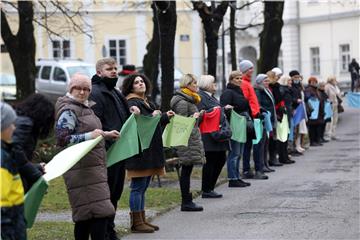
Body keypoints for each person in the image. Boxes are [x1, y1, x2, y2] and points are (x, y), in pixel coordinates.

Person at [55, 74, 119, 240]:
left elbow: (88, 132)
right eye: (78, 88)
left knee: (92, 214)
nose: (82, 92)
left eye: (86, 89)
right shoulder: (69, 110)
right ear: (71, 89)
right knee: (94, 214)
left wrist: (105, 134)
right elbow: (63, 140)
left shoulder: (84, 107)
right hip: (81, 172)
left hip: (92, 169)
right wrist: (91, 136)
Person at [89, 57, 140, 240]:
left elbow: (122, 116)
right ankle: (105, 232)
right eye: (109, 69)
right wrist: (107, 138)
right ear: (99, 72)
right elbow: (96, 122)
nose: (113, 71)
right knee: (107, 194)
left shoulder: (115, 91)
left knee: (116, 192)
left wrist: (131, 110)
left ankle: (110, 229)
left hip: (119, 151)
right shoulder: (96, 93)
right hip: (107, 151)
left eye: (115, 69)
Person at [121, 73, 174, 232]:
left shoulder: (146, 101)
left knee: (143, 186)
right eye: (136, 83)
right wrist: (153, 116)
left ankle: (141, 219)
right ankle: (136, 222)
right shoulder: (131, 102)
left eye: (142, 81)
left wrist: (164, 117)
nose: (140, 84)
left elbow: (152, 125)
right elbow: (138, 125)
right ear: (131, 87)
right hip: (140, 151)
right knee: (138, 186)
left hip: (149, 150)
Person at [170, 73, 205, 211]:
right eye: (194, 83)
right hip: (186, 141)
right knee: (186, 170)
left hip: (190, 139)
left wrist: (197, 117)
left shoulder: (190, 99)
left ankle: (187, 200)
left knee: (187, 169)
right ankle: (186, 201)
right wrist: (194, 117)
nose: (196, 85)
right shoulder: (183, 102)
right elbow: (181, 123)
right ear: (187, 85)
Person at [12, 93, 55, 192]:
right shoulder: (25, 123)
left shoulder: (17, 119)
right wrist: (37, 177)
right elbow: (15, 154)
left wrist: (36, 167)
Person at [197, 75, 230, 198]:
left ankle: (210, 187)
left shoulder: (211, 97)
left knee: (221, 159)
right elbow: (203, 114)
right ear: (207, 84)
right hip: (209, 134)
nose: (215, 85)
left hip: (218, 132)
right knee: (210, 161)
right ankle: (206, 189)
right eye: (213, 83)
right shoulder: (201, 97)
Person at [220, 71, 252, 187]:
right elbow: (223, 108)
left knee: (239, 153)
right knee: (234, 152)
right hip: (234, 125)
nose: (239, 80)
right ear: (231, 80)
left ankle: (237, 177)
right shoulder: (228, 92)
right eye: (237, 78)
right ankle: (232, 178)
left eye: (240, 78)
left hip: (241, 124)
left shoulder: (239, 91)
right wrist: (230, 109)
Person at [1, 102, 26, 240]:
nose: (14, 128)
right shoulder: (2, 158)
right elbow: (2, 203)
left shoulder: (6, 152)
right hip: (9, 230)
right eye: (10, 124)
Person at [239, 60, 267, 179]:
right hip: (252, 118)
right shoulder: (244, 84)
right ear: (245, 70)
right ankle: (257, 170)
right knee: (256, 145)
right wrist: (255, 113)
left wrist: (258, 109)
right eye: (250, 68)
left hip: (254, 116)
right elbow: (246, 101)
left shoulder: (247, 83)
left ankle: (247, 170)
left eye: (252, 68)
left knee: (249, 145)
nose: (252, 70)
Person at [254, 74, 276, 173]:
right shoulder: (258, 91)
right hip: (263, 119)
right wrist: (264, 111)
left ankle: (265, 164)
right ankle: (262, 165)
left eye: (268, 81)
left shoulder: (266, 90)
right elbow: (259, 104)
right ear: (260, 82)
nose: (267, 83)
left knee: (266, 142)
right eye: (265, 81)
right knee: (262, 143)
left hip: (269, 118)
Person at [289, 70, 307, 154]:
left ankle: (298, 145)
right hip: (295, 109)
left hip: (300, 108)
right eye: (295, 77)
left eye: (298, 77)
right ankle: (294, 147)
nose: (297, 79)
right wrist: (296, 100)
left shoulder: (298, 86)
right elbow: (290, 98)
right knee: (295, 129)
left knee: (300, 128)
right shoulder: (291, 87)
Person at [304, 76, 325, 146]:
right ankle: (313, 141)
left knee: (317, 126)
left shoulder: (316, 89)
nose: (314, 83)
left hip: (318, 110)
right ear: (310, 82)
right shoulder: (308, 89)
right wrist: (312, 98)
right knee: (312, 127)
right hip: (313, 110)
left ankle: (316, 140)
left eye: (315, 82)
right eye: (312, 82)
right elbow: (307, 97)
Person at [324, 76, 341, 140]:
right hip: (329, 105)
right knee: (329, 120)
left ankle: (333, 133)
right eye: (334, 80)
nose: (336, 81)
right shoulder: (327, 86)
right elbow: (325, 95)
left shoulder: (335, 87)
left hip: (335, 104)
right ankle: (328, 134)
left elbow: (337, 94)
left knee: (335, 120)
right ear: (331, 80)